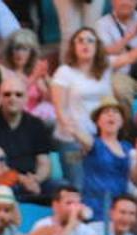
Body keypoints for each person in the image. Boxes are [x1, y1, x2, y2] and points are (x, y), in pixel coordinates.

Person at [51, 27, 116, 190]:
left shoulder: (103, 71)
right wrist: (79, 138)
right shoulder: (64, 72)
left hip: (98, 138)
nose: (85, 44)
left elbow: (109, 104)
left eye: (90, 40)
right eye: (80, 40)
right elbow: (61, 111)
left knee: (100, 183)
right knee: (77, 184)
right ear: (73, 46)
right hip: (71, 141)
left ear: (97, 46)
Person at [0, 76, 54, 202]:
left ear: (26, 98)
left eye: (18, 94)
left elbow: (44, 162)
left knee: (62, 189)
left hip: (32, 180)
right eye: (7, 94)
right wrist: (22, 180)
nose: (13, 98)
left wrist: (36, 179)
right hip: (3, 180)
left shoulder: (36, 124)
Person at [80, 99, 137, 223]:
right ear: (97, 121)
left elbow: (136, 179)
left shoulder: (128, 147)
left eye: (115, 112)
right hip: (94, 206)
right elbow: (76, 133)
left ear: (122, 122)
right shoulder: (92, 143)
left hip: (119, 208)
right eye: (106, 112)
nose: (111, 114)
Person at [94, 0, 137, 102]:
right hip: (119, 74)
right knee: (121, 89)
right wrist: (130, 36)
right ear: (112, 1)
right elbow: (104, 52)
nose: (125, 2)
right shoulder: (102, 24)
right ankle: (126, 118)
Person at [27, 185, 104, 235]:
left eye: (77, 203)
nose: (74, 208)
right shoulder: (43, 224)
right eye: (69, 203)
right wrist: (70, 225)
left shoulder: (82, 228)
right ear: (55, 205)